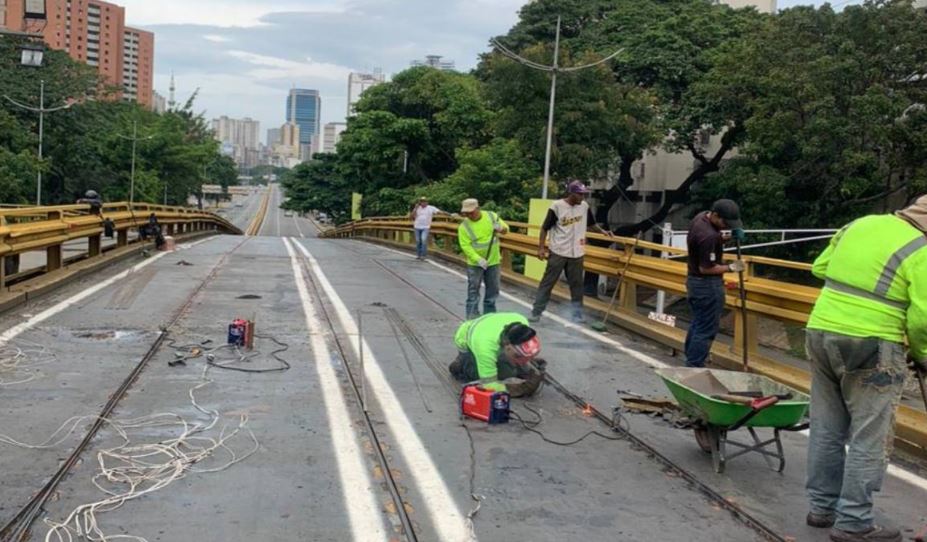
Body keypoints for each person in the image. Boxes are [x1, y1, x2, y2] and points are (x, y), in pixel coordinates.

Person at [803, 195, 927, 542]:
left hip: (820, 331)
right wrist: (923, 354)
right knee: (869, 436)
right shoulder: (922, 249)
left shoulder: (860, 224)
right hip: (872, 344)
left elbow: (820, 268)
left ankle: (822, 508)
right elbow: (922, 319)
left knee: (827, 427)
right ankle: (855, 521)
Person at [529, 180, 614, 323]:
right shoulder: (557, 206)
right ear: (571, 193)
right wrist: (541, 248)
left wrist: (603, 232)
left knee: (577, 286)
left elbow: (592, 224)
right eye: (580, 194)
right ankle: (536, 312)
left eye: (584, 194)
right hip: (558, 251)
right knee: (548, 283)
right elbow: (545, 228)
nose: (582, 197)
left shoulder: (584, 207)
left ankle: (577, 315)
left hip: (577, 252)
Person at [683, 199, 746, 368]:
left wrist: (729, 236)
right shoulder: (707, 236)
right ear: (716, 215)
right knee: (706, 328)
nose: (726, 226)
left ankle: (690, 359)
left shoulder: (702, 217)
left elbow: (716, 237)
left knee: (699, 322)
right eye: (724, 223)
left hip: (693, 281)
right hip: (706, 284)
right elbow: (706, 268)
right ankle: (694, 365)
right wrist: (731, 267)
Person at [448, 312, 545, 397]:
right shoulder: (485, 347)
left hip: (488, 329)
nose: (523, 362)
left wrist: (527, 359)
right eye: (518, 356)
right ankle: (462, 366)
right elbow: (489, 385)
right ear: (507, 346)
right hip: (468, 341)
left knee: (513, 368)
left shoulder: (522, 321)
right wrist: (522, 389)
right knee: (504, 375)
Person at [458, 198, 509, 320]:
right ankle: (471, 317)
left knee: (493, 289)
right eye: (467, 213)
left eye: (471, 212)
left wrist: (500, 228)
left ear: (478, 208)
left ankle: (489, 317)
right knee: (473, 290)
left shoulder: (492, 216)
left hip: (493, 261)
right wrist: (478, 259)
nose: (469, 215)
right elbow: (465, 246)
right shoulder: (464, 226)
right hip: (475, 263)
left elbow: (506, 230)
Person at [409, 196, 444, 261]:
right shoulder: (417, 208)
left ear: (427, 202)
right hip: (417, 227)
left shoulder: (431, 208)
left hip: (426, 227)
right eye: (421, 201)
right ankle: (418, 255)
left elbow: (440, 212)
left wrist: (450, 214)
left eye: (424, 201)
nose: (423, 203)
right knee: (418, 241)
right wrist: (415, 208)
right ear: (420, 202)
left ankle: (423, 255)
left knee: (423, 240)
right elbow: (411, 217)